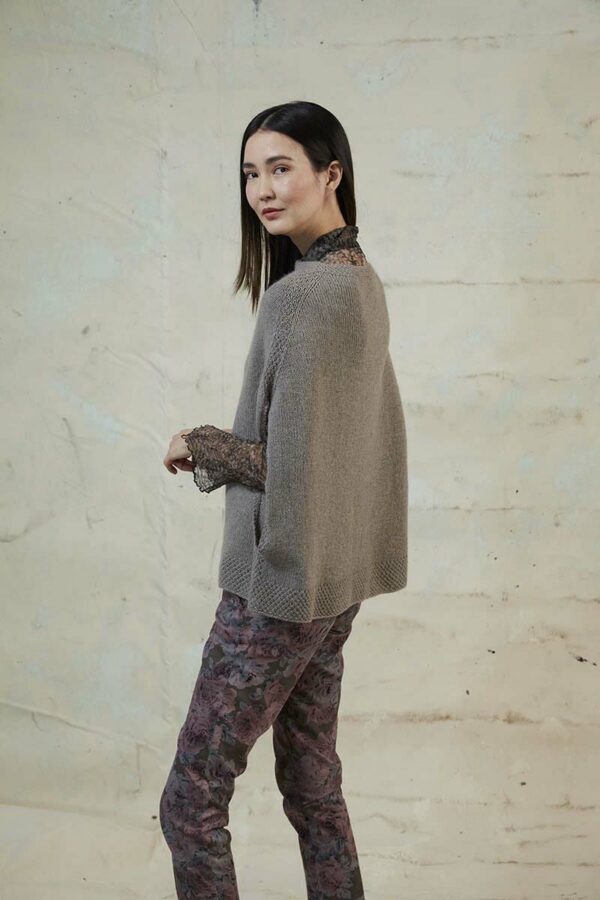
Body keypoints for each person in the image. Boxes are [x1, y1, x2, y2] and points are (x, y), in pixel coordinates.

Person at [159, 100, 408, 899]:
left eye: (280, 168)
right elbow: (338, 454)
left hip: (282, 585)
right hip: (333, 583)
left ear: (331, 174)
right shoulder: (360, 280)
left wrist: (200, 442)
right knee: (311, 783)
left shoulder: (302, 297)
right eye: (250, 174)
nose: (262, 190)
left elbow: (297, 468)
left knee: (190, 800)